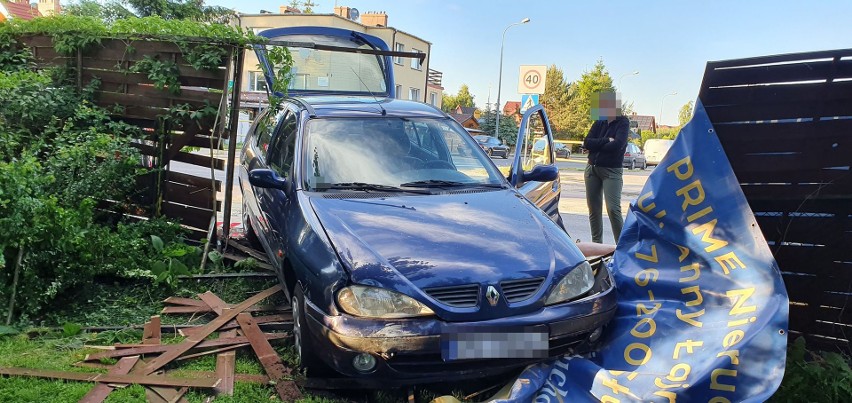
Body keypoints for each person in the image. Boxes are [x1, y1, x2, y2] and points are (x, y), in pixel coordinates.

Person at [583, 90, 629, 244]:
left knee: (613, 209)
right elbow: (586, 142)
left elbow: (617, 145)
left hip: (611, 171)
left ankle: (622, 247)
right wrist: (605, 141)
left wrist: (596, 145)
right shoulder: (599, 122)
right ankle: (597, 245)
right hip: (592, 170)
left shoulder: (623, 122)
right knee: (594, 211)